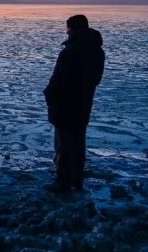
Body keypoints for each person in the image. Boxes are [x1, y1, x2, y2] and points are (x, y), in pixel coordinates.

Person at [43, 15, 105, 194]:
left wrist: (49, 94)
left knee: (63, 143)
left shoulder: (69, 52)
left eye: (68, 28)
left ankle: (62, 184)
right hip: (84, 101)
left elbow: (58, 79)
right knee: (78, 141)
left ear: (74, 29)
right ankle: (77, 182)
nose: (66, 31)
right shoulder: (97, 51)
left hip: (65, 102)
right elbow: (96, 79)